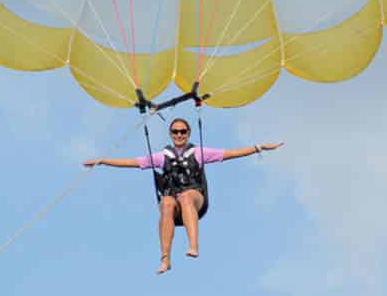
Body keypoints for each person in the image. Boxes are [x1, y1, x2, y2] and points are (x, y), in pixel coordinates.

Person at [84, 117, 283, 274]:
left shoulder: (198, 152)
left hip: (195, 198)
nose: (179, 135)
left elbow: (230, 153)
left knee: (186, 196)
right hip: (174, 202)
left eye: (183, 131)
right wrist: (103, 161)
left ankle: (193, 245)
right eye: (175, 132)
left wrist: (259, 147)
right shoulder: (162, 157)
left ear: (188, 133)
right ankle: (165, 258)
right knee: (167, 202)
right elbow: (133, 162)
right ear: (171, 134)